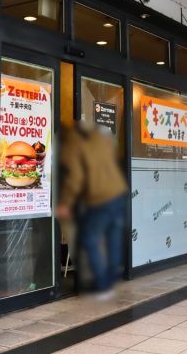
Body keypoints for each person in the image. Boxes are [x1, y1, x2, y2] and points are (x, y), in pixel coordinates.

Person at [56, 121, 128, 297]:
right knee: (113, 238)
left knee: (89, 239)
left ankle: (103, 285)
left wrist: (65, 203)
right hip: (119, 193)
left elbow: (75, 178)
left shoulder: (71, 146)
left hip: (100, 198)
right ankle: (111, 279)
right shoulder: (97, 138)